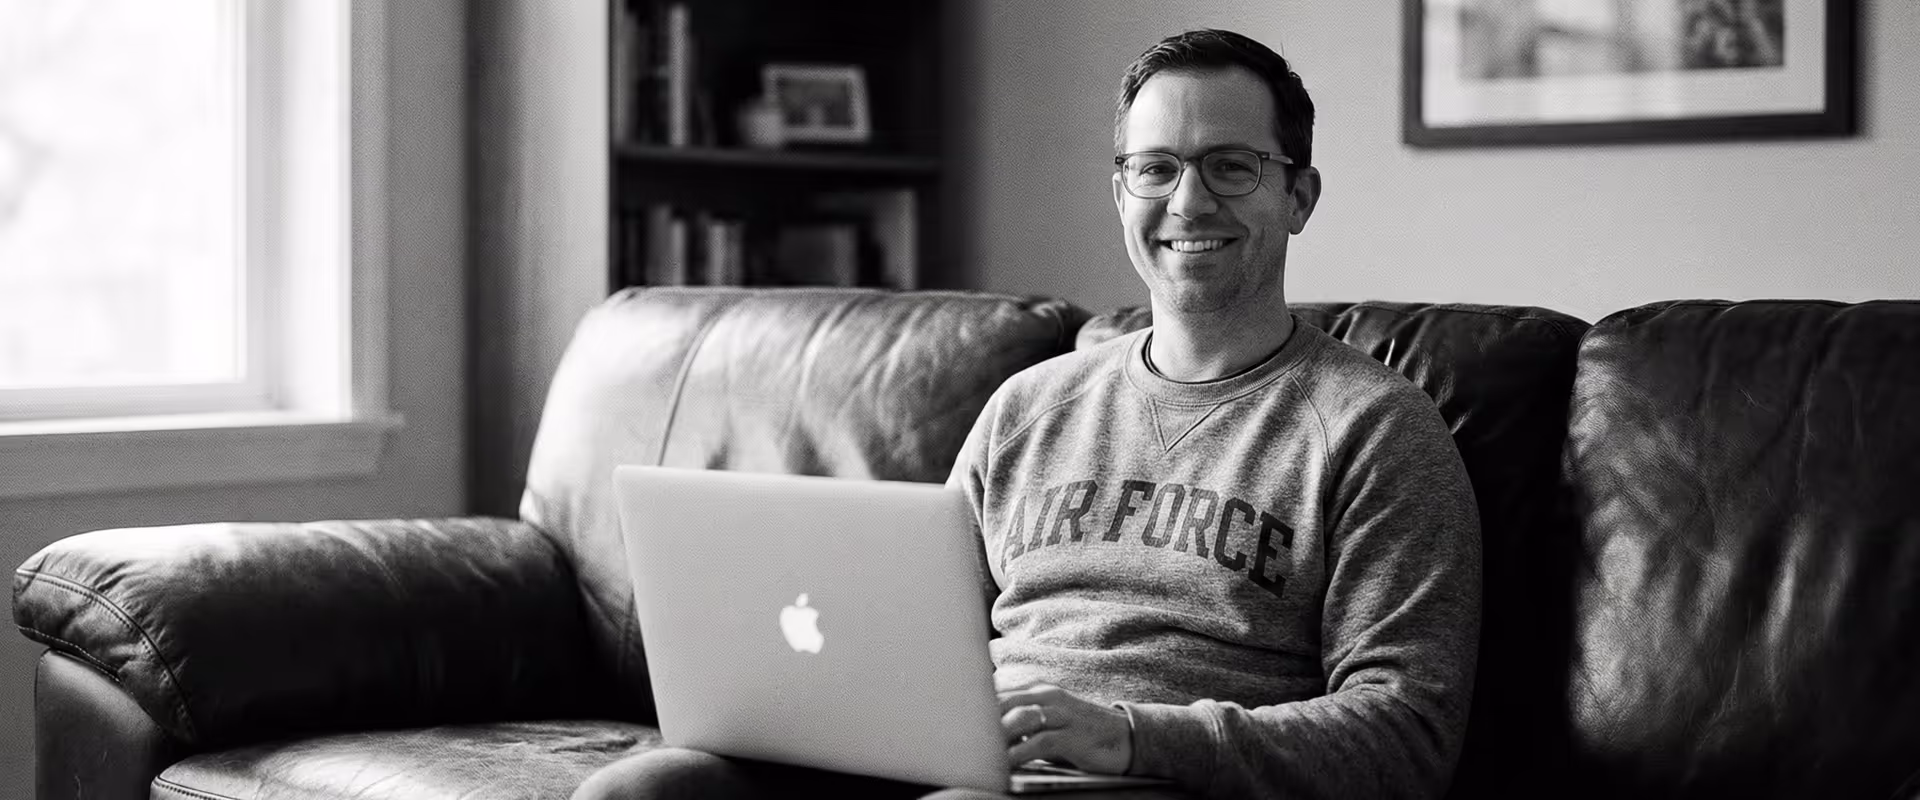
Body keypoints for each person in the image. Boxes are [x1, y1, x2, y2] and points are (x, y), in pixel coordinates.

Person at [577, 28, 1481, 800]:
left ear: (1299, 196)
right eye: (1154, 168)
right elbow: (908, 634)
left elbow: (1406, 733)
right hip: (965, 767)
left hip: (1157, 784)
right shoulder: (1030, 408)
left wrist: (1132, 736)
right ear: (1120, 193)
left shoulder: (1374, 429)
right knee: (643, 789)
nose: (1188, 201)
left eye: (1231, 167)